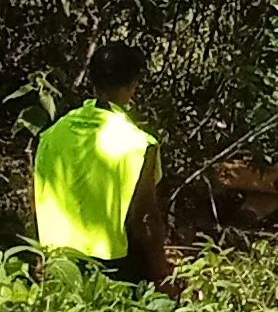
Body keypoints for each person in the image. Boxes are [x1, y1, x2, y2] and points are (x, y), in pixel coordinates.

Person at [32, 40, 174, 289]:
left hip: (58, 260)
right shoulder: (139, 144)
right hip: (111, 267)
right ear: (131, 86)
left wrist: (39, 257)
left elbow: (41, 198)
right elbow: (145, 218)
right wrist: (162, 274)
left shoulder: (52, 134)